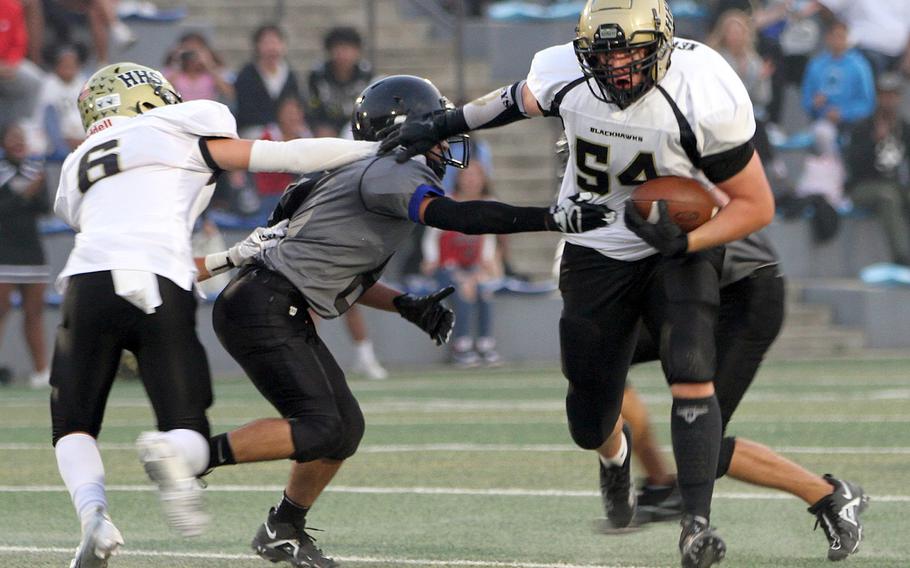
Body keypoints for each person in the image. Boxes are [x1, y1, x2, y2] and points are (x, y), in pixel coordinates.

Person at [384, 1, 777, 566]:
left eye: (631, 53)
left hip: (677, 244)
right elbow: (508, 103)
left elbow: (757, 205)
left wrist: (687, 242)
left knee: (691, 364)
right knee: (588, 419)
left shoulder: (706, 86)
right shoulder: (563, 69)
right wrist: (445, 124)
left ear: (663, 44)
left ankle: (696, 526)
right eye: (605, 55)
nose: (618, 68)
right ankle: (613, 457)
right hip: (595, 249)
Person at [198, 74, 613, 568]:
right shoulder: (391, 169)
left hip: (267, 302)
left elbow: (335, 271)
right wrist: (549, 218)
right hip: (263, 306)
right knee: (320, 426)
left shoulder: (359, 174)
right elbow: (457, 217)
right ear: (405, 130)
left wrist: (403, 304)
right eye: (434, 126)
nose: (443, 139)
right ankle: (192, 456)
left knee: (343, 429)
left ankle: (283, 527)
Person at [50, 61, 383, 568]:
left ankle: (94, 515)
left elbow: (108, 224)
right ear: (147, 97)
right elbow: (287, 155)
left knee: (73, 424)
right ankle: (177, 455)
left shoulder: (76, 164)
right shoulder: (175, 126)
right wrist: (376, 148)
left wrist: (229, 256)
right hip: (160, 277)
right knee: (183, 423)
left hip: (87, 282)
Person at [621, 231, 869, 560]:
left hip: (744, 290)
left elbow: (749, 203)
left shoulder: (672, 183)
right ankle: (661, 483)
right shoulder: (591, 200)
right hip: (687, 292)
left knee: (701, 438)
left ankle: (830, 495)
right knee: (595, 361)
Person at [422, 158, 503, 367]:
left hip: (474, 265)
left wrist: (483, 270)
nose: (471, 181)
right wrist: (431, 260)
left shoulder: (488, 204)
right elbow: (432, 239)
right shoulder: (447, 202)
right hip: (447, 264)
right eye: (466, 176)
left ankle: (485, 343)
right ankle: (461, 345)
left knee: (483, 288)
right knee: (462, 288)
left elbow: (488, 241)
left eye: (475, 176)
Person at [0, 122, 50, 388]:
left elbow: (45, 207)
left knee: (35, 312)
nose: (18, 141)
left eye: (22, 137)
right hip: (4, 251)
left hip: (31, 251)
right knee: (1, 310)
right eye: (12, 136)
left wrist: (34, 191)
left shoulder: (36, 171)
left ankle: (41, 372)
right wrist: (25, 194)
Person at [844, 72, 910, 266]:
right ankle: (903, 258)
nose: (888, 100)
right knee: (887, 197)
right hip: (863, 187)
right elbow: (853, 165)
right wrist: (874, 142)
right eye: (884, 95)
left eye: (893, 95)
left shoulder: (904, 128)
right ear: (878, 97)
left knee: (896, 193)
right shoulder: (863, 127)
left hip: (895, 184)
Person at [800, 19, 875, 131]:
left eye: (842, 36)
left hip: (853, 124)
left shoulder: (859, 66)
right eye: (835, 36)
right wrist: (814, 104)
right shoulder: (816, 65)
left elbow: (867, 103)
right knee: (822, 132)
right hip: (823, 121)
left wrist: (843, 113)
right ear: (828, 38)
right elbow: (806, 99)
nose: (838, 41)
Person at [233, 24, 300, 138]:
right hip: (254, 128)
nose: (272, 48)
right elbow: (245, 108)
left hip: (285, 128)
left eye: (275, 42)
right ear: (258, 46)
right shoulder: (247, 74)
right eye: (266, 43)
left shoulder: (289, 74)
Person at [307, 26, 373, 137]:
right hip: (326, 129)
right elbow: (313, 105)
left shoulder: (366, 75)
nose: (343, 55)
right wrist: (319, 126)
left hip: (356, 128)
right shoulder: (318, 76)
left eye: (347, 49)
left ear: (357, 51)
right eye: (338, 49)